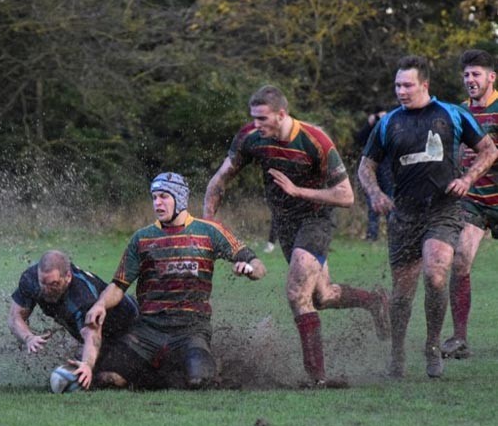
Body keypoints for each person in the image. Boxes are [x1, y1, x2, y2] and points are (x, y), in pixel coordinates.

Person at [204, 85, 390, 387]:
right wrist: (208, 223)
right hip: (286, 222)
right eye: (253, 118)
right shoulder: (251, 137)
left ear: (281, 114)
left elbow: (346, 196)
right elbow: (221, 178)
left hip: (317, 218)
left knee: (296, 293)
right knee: (321, 295)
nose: (256, 125)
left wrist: (297, 190)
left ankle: (316, 379)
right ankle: (374, 300)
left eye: (263, 119)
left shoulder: (315, 141)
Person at [358, 55, 498, 378]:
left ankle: (433, 345)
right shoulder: (388, 122)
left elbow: (489, 150)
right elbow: (365, 167)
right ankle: (397, 353)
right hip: (404, 213)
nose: (401, 91)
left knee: (436, 272)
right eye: (397, 85)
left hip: (444, 209)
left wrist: (466, 179)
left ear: (425, 85)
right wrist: (376, 194)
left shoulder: (453, 114)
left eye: (407, 85)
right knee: (402, 293)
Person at [85, 173, 267, 390]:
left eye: (163, 196)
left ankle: (193, 363)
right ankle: (155, 370)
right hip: (148, 329)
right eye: (154, 197)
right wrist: (100, 305)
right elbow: (118, 285)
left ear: (179, 199)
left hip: (191, 329)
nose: (157, 203)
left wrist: (248, 270)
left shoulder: (209, 231)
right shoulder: (142, 238)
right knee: (107, 379)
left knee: (199, 382)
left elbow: (258, 266)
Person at [8, 250, 139, 389]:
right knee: (79, 371)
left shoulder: (82, 298)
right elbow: (15, 317)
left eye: (54, 284)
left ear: (68, 277)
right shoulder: (31, 279)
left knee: (108, 379)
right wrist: (28, 338)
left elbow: (92, 336)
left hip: (130, 327)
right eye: (43, 283)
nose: (46, 290)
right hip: (99, 332)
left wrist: (87, 365)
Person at [443, 49, 498, 360]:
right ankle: (459, 338)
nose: (470, 80)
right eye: (466, 75)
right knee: (461, 259)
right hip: (473, 200)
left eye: (476, 74)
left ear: (491, 77)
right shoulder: (459, 112)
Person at [355, 107, 393, 242]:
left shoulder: (392, 123)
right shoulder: (370, 128)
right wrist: (369, 124)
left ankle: (392, 233)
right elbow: (359, 139)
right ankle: (372, 234)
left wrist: (386, 120)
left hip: (387, 166)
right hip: (372, 165)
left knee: (389, 197)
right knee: (373, 200)